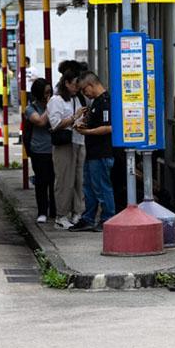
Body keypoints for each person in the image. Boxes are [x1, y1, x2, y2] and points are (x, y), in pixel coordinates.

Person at [70, 71, 115, 231]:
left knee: (102, 187)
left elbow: (109, 127)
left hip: (102, 152)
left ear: (91, 85)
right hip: (92, 153)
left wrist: (87, 132)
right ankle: (88, 218)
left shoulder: (105, 101)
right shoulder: (95, 102)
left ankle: (107, 218)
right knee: (88, 188)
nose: (84, 94)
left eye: (84, 90)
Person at [48, 61, 87, 230]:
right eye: (75, 84)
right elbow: (55, 124)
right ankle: (61, 215)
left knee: (79, 180)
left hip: (79, 141)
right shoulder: (56, 100)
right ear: (66, 83)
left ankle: (78, 212)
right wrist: (74, 118)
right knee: (64, 180)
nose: (77, 87)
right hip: (64, 144)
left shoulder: (76, 98)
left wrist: (81, 121)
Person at [24, 78, 56, 223]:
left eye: (50, 92)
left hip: (55, 148)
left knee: (55, 182)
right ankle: (42, 211)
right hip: (39, 150)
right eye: (46, 92)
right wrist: (50, 106)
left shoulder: (55, 104)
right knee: (42, 182)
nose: (48, 95)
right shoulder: (30, 109)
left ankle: (55, 210)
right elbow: (40, 121)